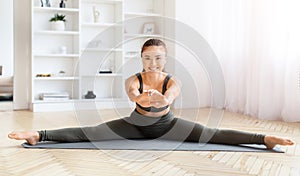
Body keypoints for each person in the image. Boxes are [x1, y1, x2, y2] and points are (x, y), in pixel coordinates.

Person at [8, 39, 294, 149]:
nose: (153, 63)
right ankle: (39, 135)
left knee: (211, 133)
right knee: (90, 130)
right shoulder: (134, 79)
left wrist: (162, 100)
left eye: (158, 58)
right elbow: (133, 94)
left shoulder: (173, 80)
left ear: (164, 60)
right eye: (148, 58)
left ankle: (263, 139)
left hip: (168, 126)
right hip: (134, 125)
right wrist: (142, 98)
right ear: (141, 59)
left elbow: (171, 97)